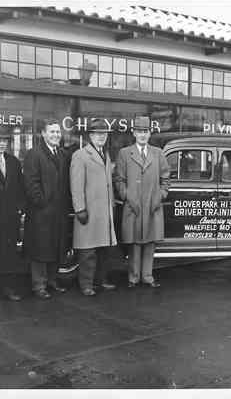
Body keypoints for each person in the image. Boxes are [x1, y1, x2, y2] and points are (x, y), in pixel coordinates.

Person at [114, 115, 169, 288]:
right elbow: (119, 180)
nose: (142, 135)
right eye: (139, 131)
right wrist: (126, 196)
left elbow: (166, 180)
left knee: (149, 243)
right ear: (134, 133)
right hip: (133, 205)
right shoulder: (124, 153)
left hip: (152, 205)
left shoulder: (158, 153)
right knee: (135, 243)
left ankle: (147, 276)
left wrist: (160, 196)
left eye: (145, 131)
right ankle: (133, 277)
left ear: (150, 133)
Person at [24, 119, 70, 299]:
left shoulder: (62, 154)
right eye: (52, 132)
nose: (56, 135)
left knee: (55, 247)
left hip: (58, 212)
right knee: (40, 250)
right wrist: (42, 203)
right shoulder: (34, 154)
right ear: (43, 134)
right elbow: (31, 183)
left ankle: (51, 281)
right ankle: (39, 285)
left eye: (58, 132)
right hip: (41, 213)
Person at [70, 119, 117, 296]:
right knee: (87, 251)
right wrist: (80, 208)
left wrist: (111, 205)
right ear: (90, 135)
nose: (101, 137)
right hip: (89, 211)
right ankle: (86, 285)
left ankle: (100, 280)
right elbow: (76, 185)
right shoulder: (81, 155)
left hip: (104, 212)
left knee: (103, 249)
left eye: (104, 134)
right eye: (98, 134)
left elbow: (108, 184)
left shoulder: (105, 154)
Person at [0, 133, 25, 301]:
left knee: (8, 253)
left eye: (4, 140)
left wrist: (20, 208)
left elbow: (21, 188)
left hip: (9, 217)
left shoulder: (14, 162)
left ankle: (8, 289)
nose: (2, 144)